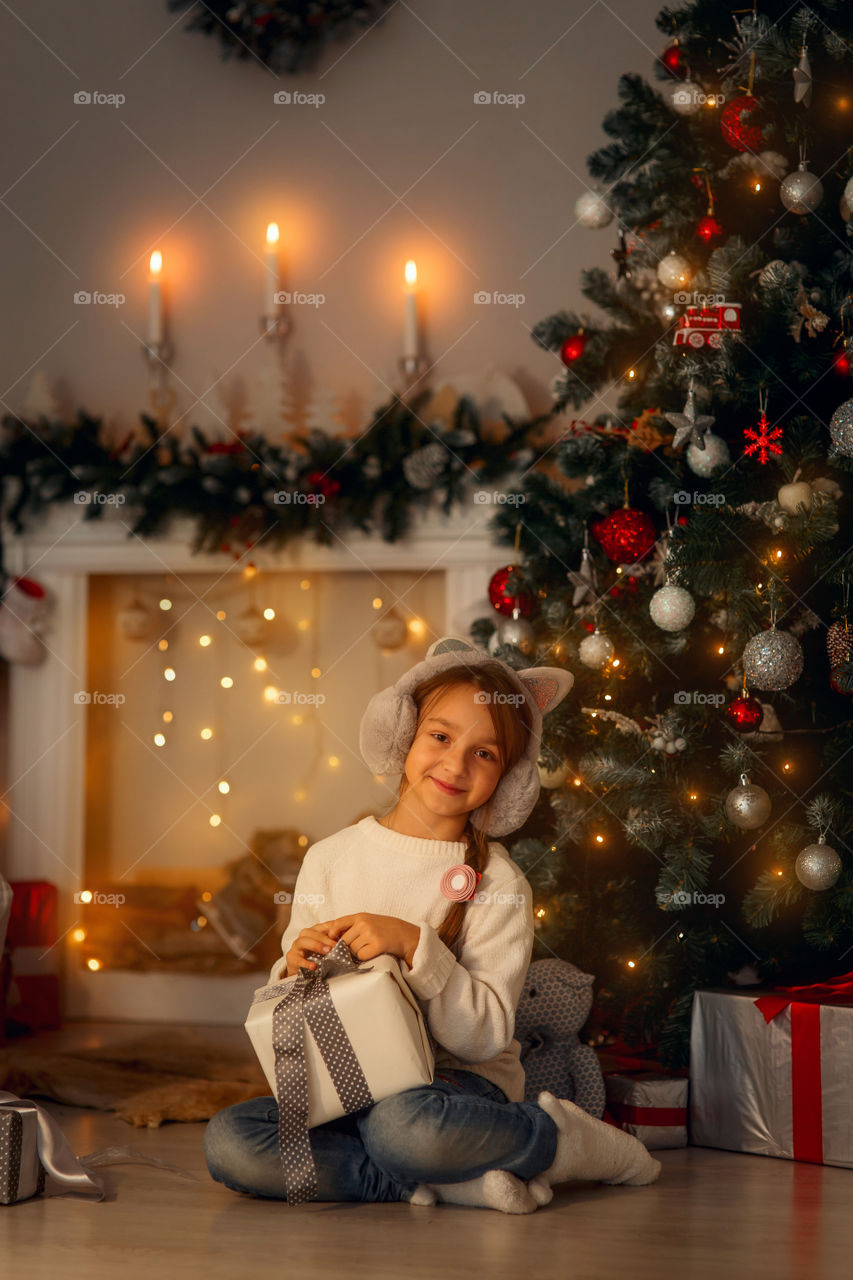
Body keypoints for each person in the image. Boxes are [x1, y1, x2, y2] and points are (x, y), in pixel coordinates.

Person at [204, 636, 661, 1212]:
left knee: (404, 1127)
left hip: (453, 1090)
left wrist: (416, 946)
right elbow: (296, 1000)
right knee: (230, 1141)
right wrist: (294, 963)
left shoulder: (498, 883)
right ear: (404, 736)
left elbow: (487, 1035)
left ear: (510, 778)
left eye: (485, 754)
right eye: (441, 737)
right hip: (351, 1086)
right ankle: (439, 1177)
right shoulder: (330, 859)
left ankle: (558, 1141)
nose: (455, 764)